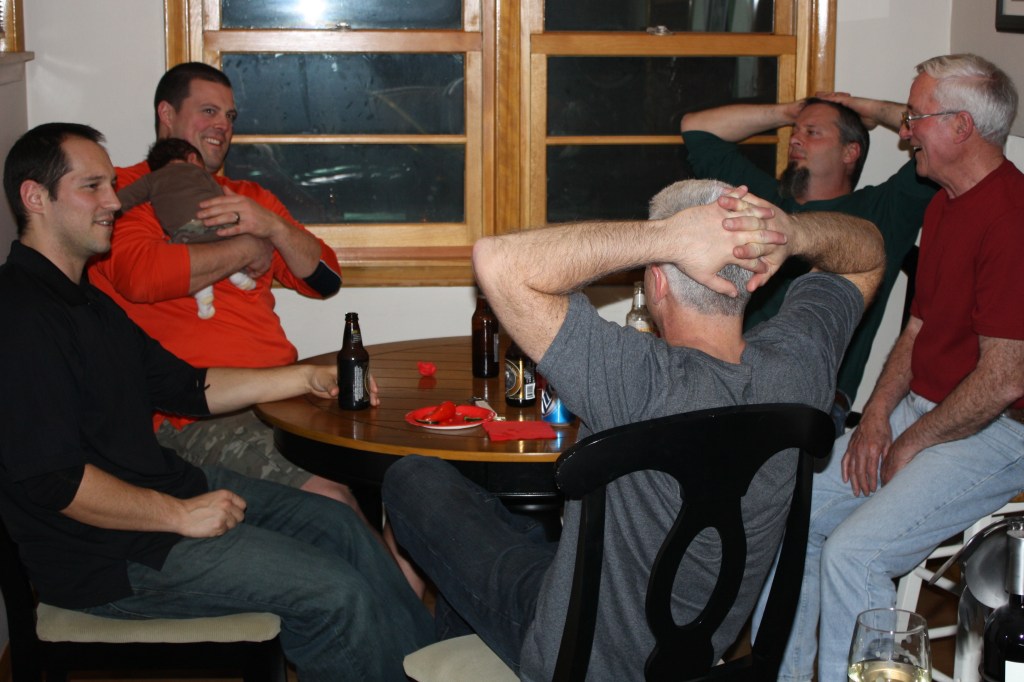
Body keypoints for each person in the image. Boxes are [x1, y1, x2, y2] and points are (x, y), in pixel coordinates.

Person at [381, 178, 886, 680]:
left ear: (657, 282)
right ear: (753, 274)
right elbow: (868, 255)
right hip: (699, 653)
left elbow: (498, 261)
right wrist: (792, 232)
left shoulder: (639, 379)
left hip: (573, 657)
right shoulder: (798, 366)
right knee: (516, 533)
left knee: (414, 479)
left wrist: (667, 238)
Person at [0, 122, 434, 681]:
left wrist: (305, 377)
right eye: (93, 187)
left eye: (112, 185)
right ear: (35, 197)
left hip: (164, 496)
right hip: (109, 557)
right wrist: (178, 515)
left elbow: (190, 387)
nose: (113, 201)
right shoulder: (20, 317)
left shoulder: (88, 304)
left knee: (339, 525)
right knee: (335, 593)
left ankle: (427, 669)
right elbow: (54, 481)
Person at [85, 62, 426, 592]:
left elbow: (325, 277)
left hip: (286, 393)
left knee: (408, 481)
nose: (223, 125)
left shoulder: (247, 196)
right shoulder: (124, 193)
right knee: (333, 501)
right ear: (166, 114)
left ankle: (396, 614)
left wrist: (269, 226)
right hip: (195, 412)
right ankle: (400, 624)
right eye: (208, 111)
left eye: (230, 116)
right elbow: (143, 277)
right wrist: (249, 247)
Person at [779, 53, 1024, 682]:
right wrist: (877, 417)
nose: (906, 130)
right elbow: (916, 329)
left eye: (916, 117)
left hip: (1000, 431)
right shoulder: (944, 204)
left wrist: (911, 440)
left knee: (854, 554)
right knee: (789, 507)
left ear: (962, 127)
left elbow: (1004, 380)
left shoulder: (1012, 219)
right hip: (930, 409)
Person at [681, 94, 938, 431]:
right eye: (795, 131)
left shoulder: (881, 211)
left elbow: (937, 135)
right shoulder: (765, 200)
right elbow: (696, 128)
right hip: (731, 378)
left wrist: (869, 110)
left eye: (813, 132)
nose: (796, 139)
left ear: (850, 152)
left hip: (813, 398)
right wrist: (787, 112)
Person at [116, 137, 256, 319]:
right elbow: (221, 200)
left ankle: (202, 292)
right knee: (232, 241)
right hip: (215, 225)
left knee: (188, 256)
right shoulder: (200, 174)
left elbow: (124, 199)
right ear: (192, 158)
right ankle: (237, 274)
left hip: (185, 235)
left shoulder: (151, 180)